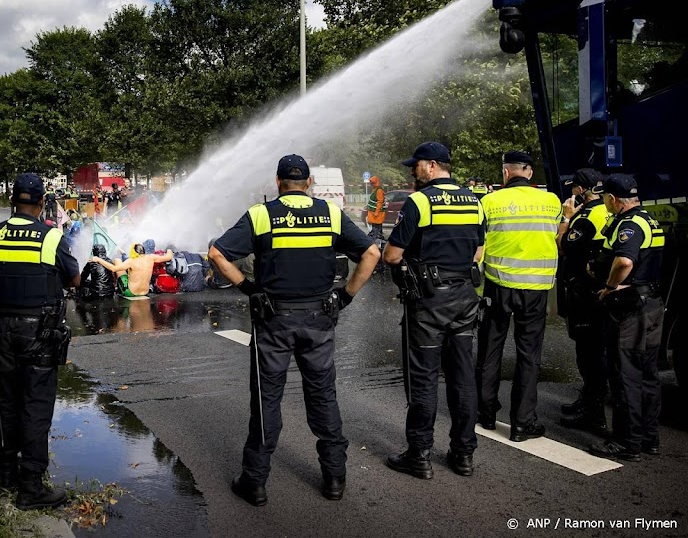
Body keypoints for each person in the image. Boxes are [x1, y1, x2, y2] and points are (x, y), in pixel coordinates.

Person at [209, 154, 380, 505]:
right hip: (319, 319)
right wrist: (344, 297)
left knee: (267, 400)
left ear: (278, 182)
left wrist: (249, 288)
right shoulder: (330, 213)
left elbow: (217, 253)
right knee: (323, 397)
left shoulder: (262, 214)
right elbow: (372, 253)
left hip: (273, 320)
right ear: (309, 183)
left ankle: (254, 483)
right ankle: (334, 479)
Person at [382, 142, 485, 479]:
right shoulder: (474, 201)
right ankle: (463, 454)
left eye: (416, 166)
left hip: (428, 302)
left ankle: (420, 455)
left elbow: (392, 256)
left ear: (429, 166)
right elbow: (478, 253)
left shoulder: (420, 202)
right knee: (463, 378)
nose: (413, 171)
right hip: (465, 298)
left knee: (424, 379)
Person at [0, 173, 79, 509]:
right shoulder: (50, 236)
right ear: (41, 203)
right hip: (38, 332)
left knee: (7, 401)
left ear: (13, 201)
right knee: (36, 406)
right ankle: (31, 487)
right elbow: (75, 277)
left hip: (2, 329)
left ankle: (7, 474)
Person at [476, 150, 562, 441]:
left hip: (498, 285)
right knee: (529, 356)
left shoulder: (488, 201)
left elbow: (478, 245)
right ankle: (523, 424)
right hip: (536, 290)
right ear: (528, 171)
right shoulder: (551, 201)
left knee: (490, 349)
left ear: (505, 173)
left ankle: (486, 413)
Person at [589, 175, 665, 461]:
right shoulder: (650, 219)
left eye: (605, 197)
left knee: (626, 375)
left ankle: (626, 441)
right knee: (647, 375)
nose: (604, 202)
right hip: (652, 305)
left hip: (632, 309)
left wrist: (609, 286)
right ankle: (649, 437)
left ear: (613, 199)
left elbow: (624, 261)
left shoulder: (629, 225)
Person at [556, 168, 609, 433]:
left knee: (588, 354)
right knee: (595, 351)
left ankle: (593, 413)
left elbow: (563, 246)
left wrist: (566, 219)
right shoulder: (607, 212)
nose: (572, 191)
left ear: (581, 190)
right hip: (599, 292)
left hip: (584, 293)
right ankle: (588, 401)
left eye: (574, 187)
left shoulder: (585, 218)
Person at [91, 245, 173, 298]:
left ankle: (115, 285)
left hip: (130, 292)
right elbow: (169, 257)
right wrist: (169, 249)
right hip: (145, 291)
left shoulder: (131, 261)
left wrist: (98, 259)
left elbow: (113, 269)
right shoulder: (151, 257)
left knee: (117, 260)